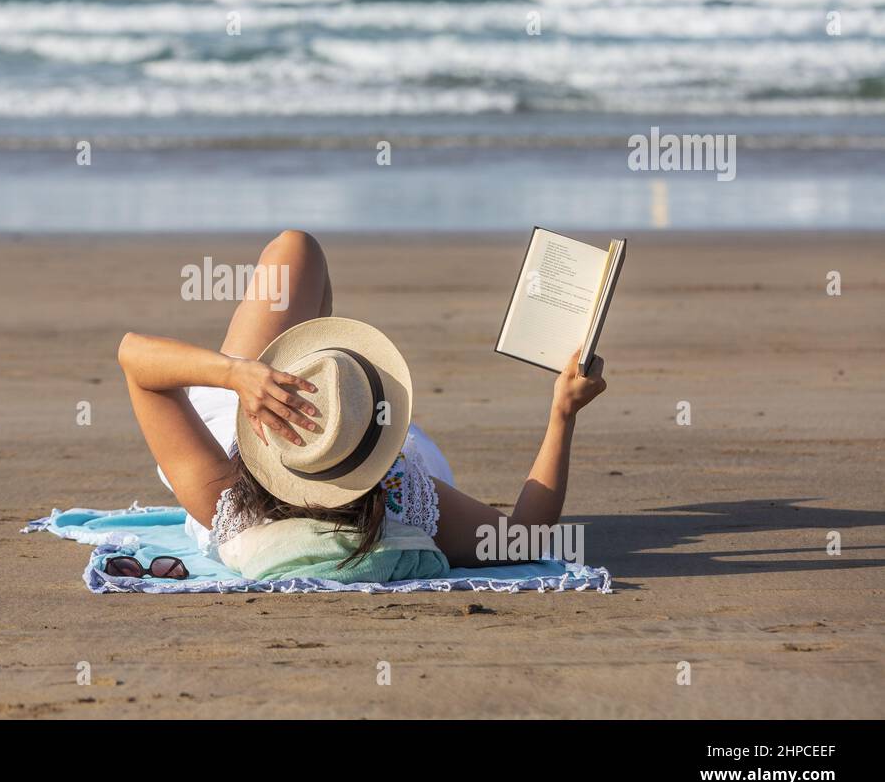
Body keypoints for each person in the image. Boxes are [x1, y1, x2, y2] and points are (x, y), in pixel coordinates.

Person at [117, 230, 607, 569]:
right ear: (382, 462)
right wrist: (563, 412)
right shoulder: (403, 502)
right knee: (299, 249)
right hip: (316, 420)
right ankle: (328, 374)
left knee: (296, 248)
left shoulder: (225, 499)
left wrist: (236, 374)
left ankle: (322, 371)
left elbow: (134, 356)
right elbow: (524, 537)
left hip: (254, 411)